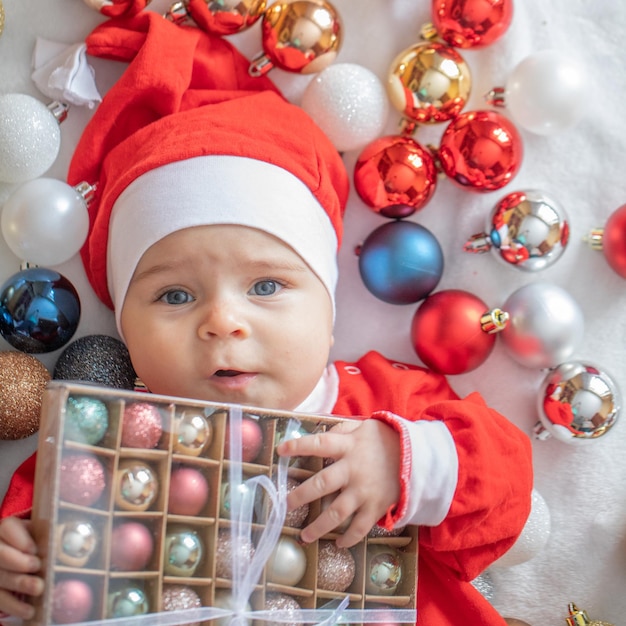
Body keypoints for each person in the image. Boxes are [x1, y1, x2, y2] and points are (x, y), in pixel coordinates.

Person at [0, 9, 533, 626]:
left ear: (329, 309)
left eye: (267, 285)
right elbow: (32, 550)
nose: (223, 321)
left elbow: (506, 491)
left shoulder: (385, 404)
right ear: (124, 328)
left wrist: (407, 461)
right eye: (174, 296)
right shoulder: (101, 445)